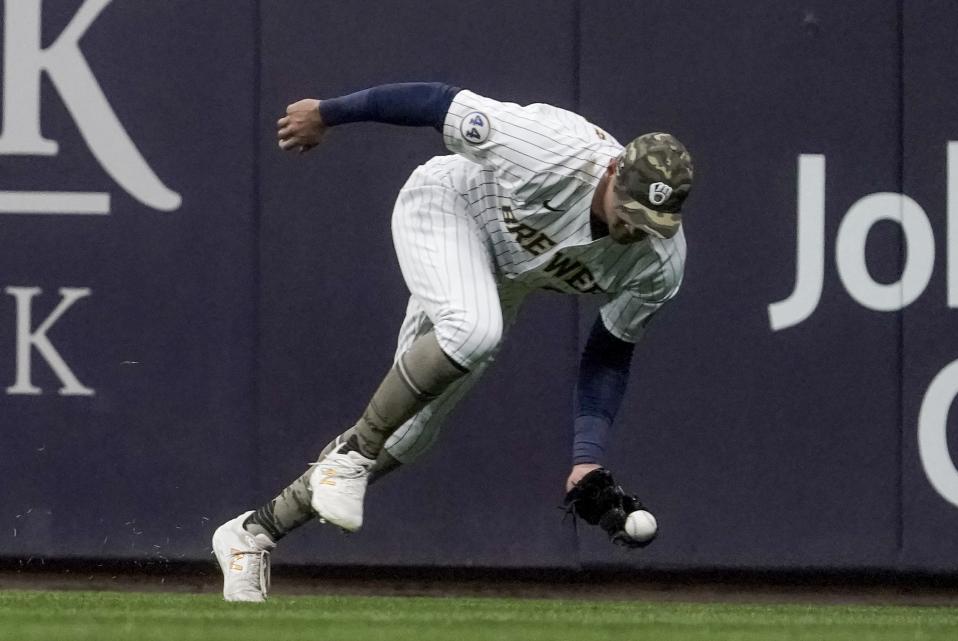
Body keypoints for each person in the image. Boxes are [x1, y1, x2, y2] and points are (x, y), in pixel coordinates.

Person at [212, 82, 693, 602]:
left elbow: (609, 353)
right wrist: (326, 115)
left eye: (653, 222)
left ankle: (250, 535)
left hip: (498, 279)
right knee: (474, 330)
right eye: (631, 210)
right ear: (613, 171)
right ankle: (350, 454)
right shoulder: (549, 147)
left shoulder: (659, 262)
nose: (635, 228)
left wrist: (587, 459)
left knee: (409, 437)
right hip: (448, 207)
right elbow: (435, 101)